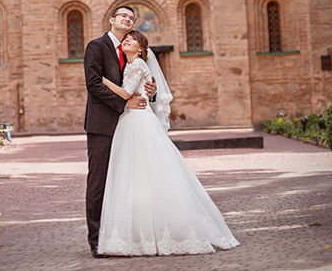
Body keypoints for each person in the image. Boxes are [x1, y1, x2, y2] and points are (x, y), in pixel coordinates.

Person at [97, 29, 240, 257]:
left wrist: (103, 80)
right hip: (131, 121)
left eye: (132, 39)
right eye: (126, 38)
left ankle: (162, 230)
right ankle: (140, 232)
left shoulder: (138, 65)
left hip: (139, 122)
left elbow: (125, 93)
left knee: (146, 173)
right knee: (135, 176)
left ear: (143, 49)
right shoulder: (130, 66)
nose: (127, 40)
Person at [84, 6, 156, 258]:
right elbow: (93, 84)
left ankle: (124, 234)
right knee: (99, 182)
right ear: (112, 20)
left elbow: (139, 84)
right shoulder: (96, 46)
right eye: (123, 15)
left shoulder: (131, 49)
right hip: (103, 125)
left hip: (130, 126)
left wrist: (151, 90)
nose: (127, 19)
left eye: (131, 18)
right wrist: (124, 103)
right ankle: (96, 240)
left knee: (128, 182)